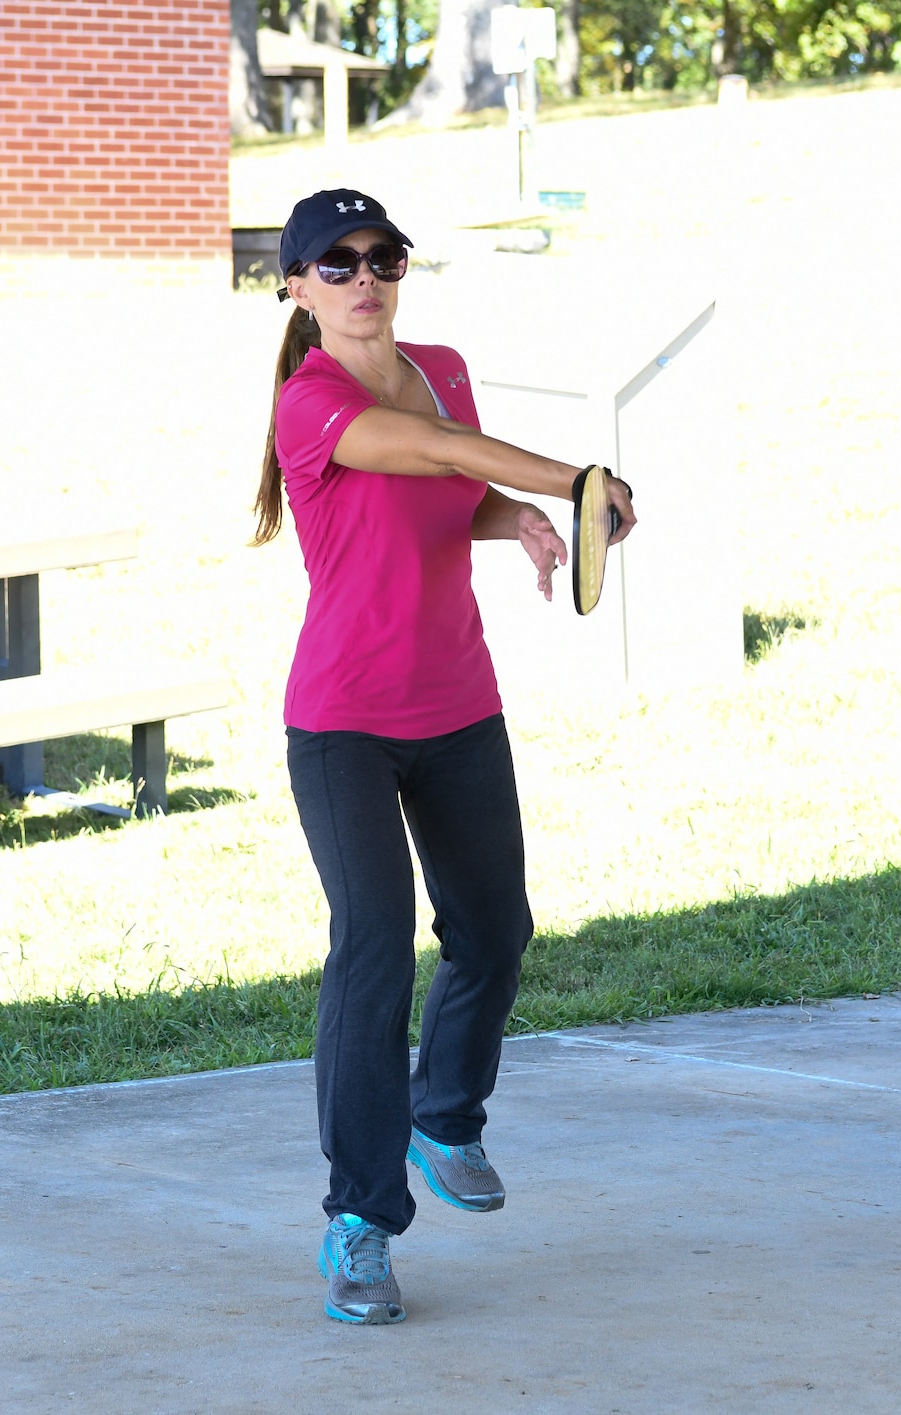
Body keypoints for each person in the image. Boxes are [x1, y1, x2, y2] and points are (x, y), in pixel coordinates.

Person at [257, 189, 635, 1325]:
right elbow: (430, 449)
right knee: (371, 951)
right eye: (335, 263)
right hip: (343, 722)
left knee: (492, 930)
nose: (362, 277)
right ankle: (360, 1220)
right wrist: (565, 482)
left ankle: (444, 1114)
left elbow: (440, 482)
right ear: (295, 286)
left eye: (381, 258)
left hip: (456, 703)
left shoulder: (443, 362)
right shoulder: (308, 401)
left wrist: (507, 519)